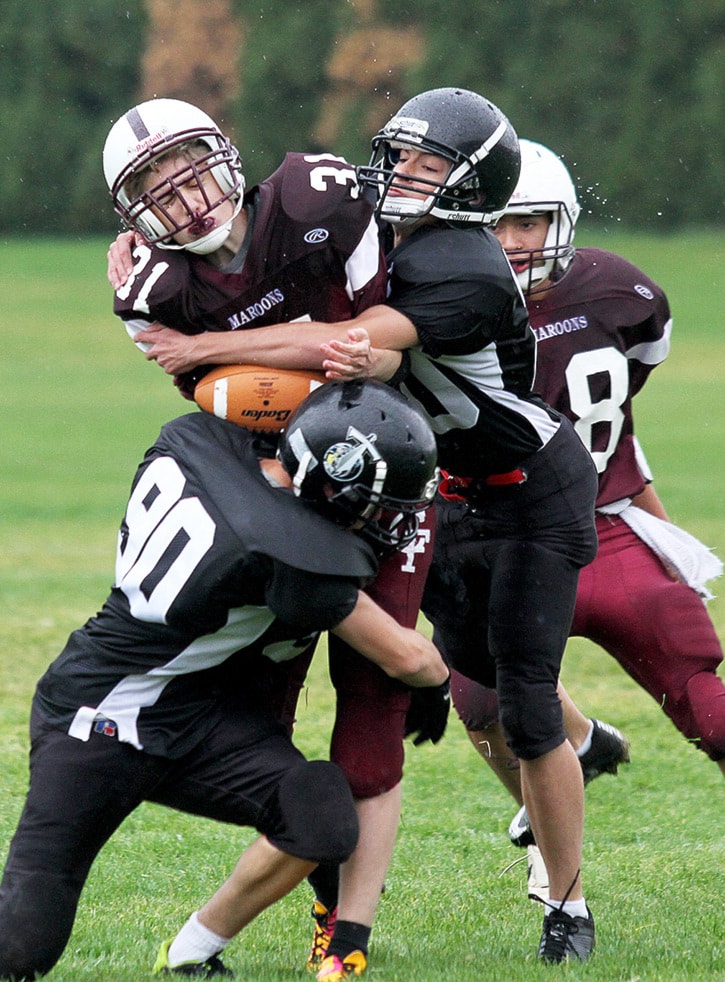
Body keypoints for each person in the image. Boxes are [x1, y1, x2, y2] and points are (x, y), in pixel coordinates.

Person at [122, 87, 601, 966]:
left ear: (470, 185)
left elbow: (354, 341)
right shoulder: (363, 226)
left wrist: (199, 352)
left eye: (425, 165)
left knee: (526, 706)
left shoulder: (464, 262)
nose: (397, 174)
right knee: (477, 701)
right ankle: (579, 752)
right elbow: (324, 322)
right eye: (397, 154)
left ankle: (566, 904)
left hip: (529, 490)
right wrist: (156, 284)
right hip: (436, 487)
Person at [102, 98, 438, 981]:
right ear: (134, 214)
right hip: (274, 497)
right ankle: (261, 919)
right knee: (263, 725)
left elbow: (384, 351)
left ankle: (347, 939)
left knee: (375, 707)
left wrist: (242, 341)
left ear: (227, 155)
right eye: (153, 188)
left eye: (186, 168)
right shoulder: (149, 291)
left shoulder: (315, 198)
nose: (181, 196)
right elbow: (241, 398)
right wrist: (315, 348)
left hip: (387, 469)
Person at [0, 380, 450, 981]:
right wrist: (439, 681)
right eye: (377, 501)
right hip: (99, 721)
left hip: (194, 718)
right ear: (333, 486)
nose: (387, 518)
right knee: (23, 944)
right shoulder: (297, 554)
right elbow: (405, 657)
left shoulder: (195, 438)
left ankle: (190, 952)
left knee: (318, 813)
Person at [445, 139, 725, 876]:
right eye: (493, 226)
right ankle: (561, 790)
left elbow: (616, 405)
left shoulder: (611, 293)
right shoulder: (615, 288)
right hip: (536, 539)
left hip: (585, 535)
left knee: (706, 709)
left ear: (561, 221)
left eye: (527, 224)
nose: (508, 243)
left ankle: (569, 765)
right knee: (480, 699)